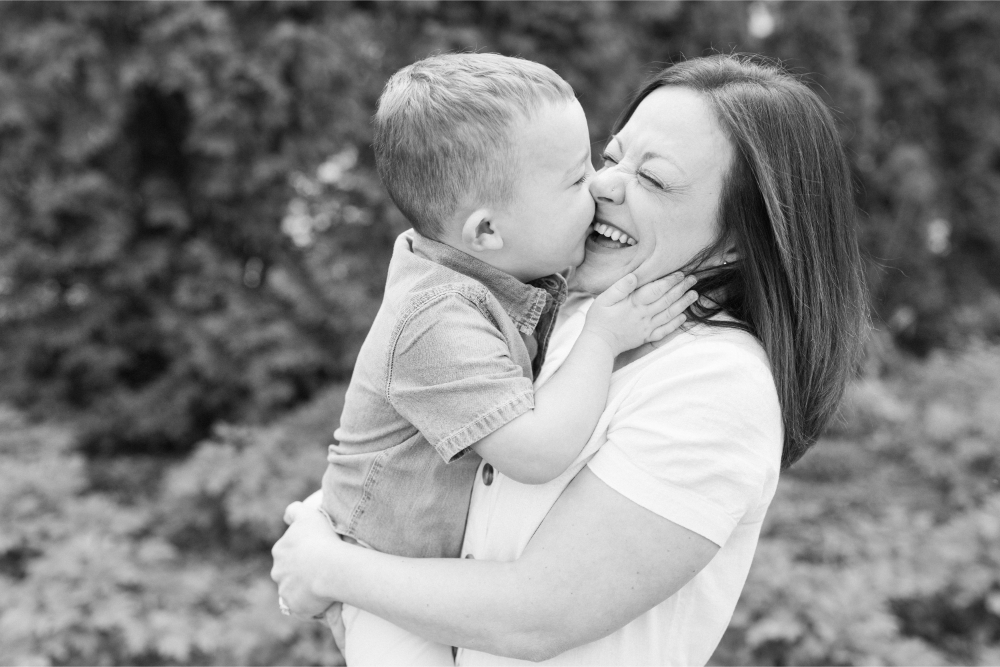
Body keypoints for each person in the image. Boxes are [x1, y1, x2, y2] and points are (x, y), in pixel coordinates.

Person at [272, 53, 869, 665]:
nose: (604, 185)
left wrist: (331, 569)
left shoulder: (716, 384)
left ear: (743, 236)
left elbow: (537, 615)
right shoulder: (569, 316)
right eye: (611, 158)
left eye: (655, 179)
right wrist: (329, 526)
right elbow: (418, 460)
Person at [308, 52, 698, 664]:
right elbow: (535, 453)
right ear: (486, 232)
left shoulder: (508, 277)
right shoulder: (437, 315)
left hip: (422, 581)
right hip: (383, 576)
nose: (598, 184)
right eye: (574, 179)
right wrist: (602, 339)